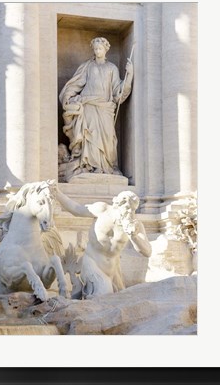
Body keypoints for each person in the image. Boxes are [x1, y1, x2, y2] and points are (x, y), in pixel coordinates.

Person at [56, 186, 151, 298]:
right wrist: (57, 193)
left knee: (118, 301)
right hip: (92, 262)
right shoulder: (103, 210)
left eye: (133, 209)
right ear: (118, 204)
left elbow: (147, 252)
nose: (130, 212)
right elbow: (76, 209)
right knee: (104, 295)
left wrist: (133, 236)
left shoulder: (135, 224)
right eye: (127, 208)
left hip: (114, 270)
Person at [59, 37, 133, 175]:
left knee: (108, 138)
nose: (98, 51)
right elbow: (76, 83)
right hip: (89, 105)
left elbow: (118, 91)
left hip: (105, 107)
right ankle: (90, 166)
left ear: (106, 50)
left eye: (100, 49)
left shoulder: (112, 68)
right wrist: (68, 96)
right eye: (95, 49)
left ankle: (107, 166)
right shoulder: (88, 66)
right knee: (90, 136)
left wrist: (129, 75)